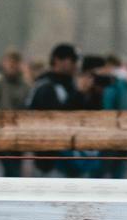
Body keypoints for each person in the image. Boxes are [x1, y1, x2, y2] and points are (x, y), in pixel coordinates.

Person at [26, 43, 86, 176]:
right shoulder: (45, 87)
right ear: (58, 60)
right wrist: (79, 94)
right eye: (72, 60)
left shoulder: (68, 85)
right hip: (49, 162)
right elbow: (57, 120)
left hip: (68, 160)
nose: (76, 65)